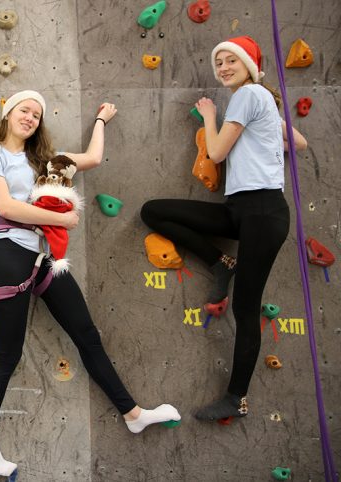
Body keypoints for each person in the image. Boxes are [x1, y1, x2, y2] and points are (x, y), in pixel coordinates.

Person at [0, 90, 180, 476]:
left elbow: (93, 158)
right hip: (6, 252)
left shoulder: (46, 162)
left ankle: (133, 414)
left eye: (37, 114)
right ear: (8, 113)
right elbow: (6, 206)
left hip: (42, 257)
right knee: (7, 354)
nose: (30, 117)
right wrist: (62, 220)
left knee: (87, 334)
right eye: (24, 110)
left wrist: (101, 120)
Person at [140, 36, 307, 421]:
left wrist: (210, 116)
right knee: (155, 212)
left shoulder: (248, 94)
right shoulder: (259, 101)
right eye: (219, 62)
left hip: (263, 211)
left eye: (232, 60)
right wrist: (264, 139)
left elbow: (215, 152)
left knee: (246, 309)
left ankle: (237, 398)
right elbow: (298, 142)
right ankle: (220, 262)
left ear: (250, 66)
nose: (224, 68)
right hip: (240, 210)